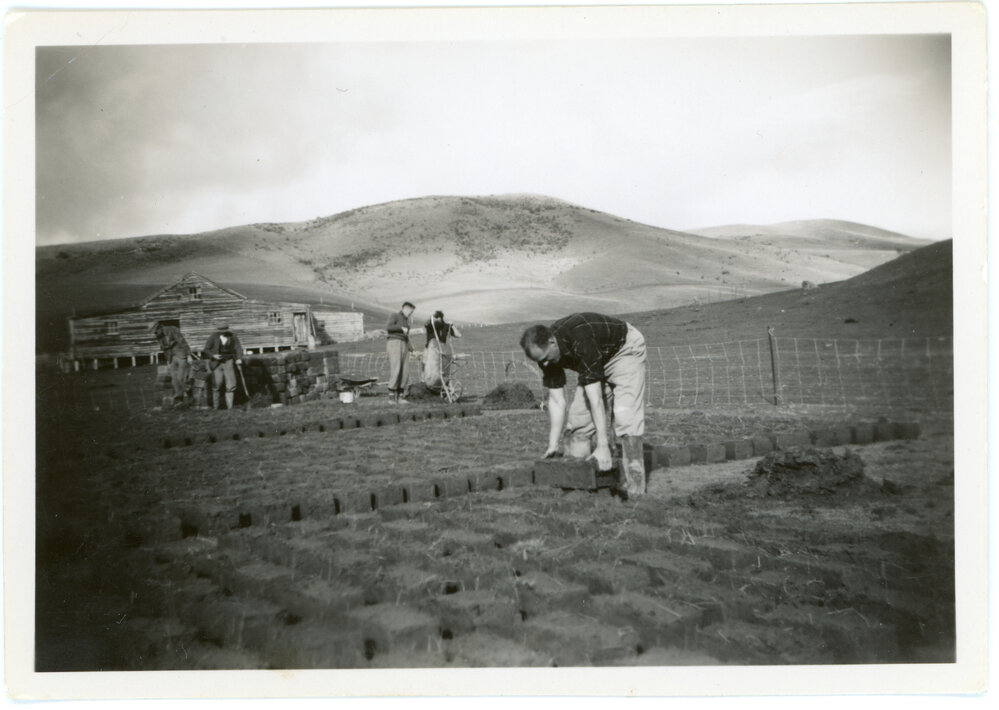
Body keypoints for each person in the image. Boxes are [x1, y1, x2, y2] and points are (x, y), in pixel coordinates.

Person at [520, 312, 648, 498]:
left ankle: (635, 493)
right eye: (540, 361)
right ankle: (580, 486)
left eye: (546, 358)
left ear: (552, 342)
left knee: (626, 418)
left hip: (624, 350)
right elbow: (556, 400)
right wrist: (553, 443)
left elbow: (595, 397)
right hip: (596, 359)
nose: (545, 364)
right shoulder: (545, 357)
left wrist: (602, 444)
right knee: (578, 422)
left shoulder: (581, 338)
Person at [203, 323, 244, 410]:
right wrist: (214, 356)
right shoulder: (213, 337)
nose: (223, 332)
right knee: (217, 384)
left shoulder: (233, 336)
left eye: (225, 331)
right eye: (222, 331)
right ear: (219, 331)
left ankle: (230, 407)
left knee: (231, 384)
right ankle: (216, 407)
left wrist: (239, 358)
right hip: (216, 363)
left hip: (228, 361)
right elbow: (206, 349)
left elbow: (238, 348)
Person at [151, 321, 193, 404]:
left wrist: (189, 355)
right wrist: (167, 359)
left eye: (156, 331)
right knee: (174, 379)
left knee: (181, 377)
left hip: (181, 355)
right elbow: (163, 348)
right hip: (170, 357)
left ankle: (189, 391)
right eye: (154, 332)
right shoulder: (159, 335)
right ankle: (179, 398)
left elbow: (182, 342)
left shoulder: (172, 329)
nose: (155, 334)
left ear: (159, 327)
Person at [423, 310, 462, 391]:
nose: (437, 320)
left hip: (441, 351)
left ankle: (439, 387)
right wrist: (431, 319)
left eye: (438, 318)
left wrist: (452, 325)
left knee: (441, 371)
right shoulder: (430, 325)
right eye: (435, 318)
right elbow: (426, 324)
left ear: (441, 318)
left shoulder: (446, 326)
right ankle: (425, 385)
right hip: (430, 351)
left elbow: (458, 335)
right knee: (427, 369)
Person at [386, 302, 415, 403]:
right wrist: (400, 328)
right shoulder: (395, 316)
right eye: (410, 312)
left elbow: (406, 337)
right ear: (405, 309)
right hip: (394, 343)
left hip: (404, 344)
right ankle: (391, 397)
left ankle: (400, 396)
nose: (411, 314)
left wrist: (411, 348)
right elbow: (389, 328)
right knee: (396, 368)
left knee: (405, 370)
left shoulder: (407, 322)